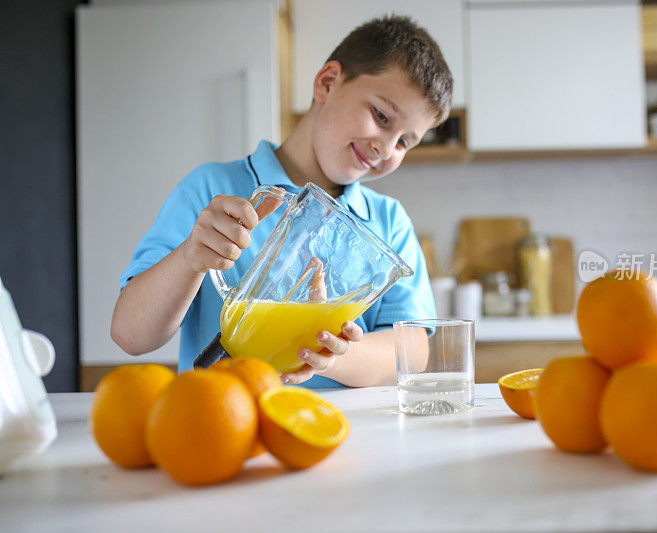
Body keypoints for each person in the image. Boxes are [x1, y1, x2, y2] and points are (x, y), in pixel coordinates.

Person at [110, 15, 453, 389]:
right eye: (382, 116)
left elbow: (414, 351)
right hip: (224, 424)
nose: (386, 147)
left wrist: (333, 355)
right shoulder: (210, 189)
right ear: (327, 83)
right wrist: (191, 257)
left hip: (340, 437)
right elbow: (131, 335)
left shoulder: (389, 220)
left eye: (405, 142)